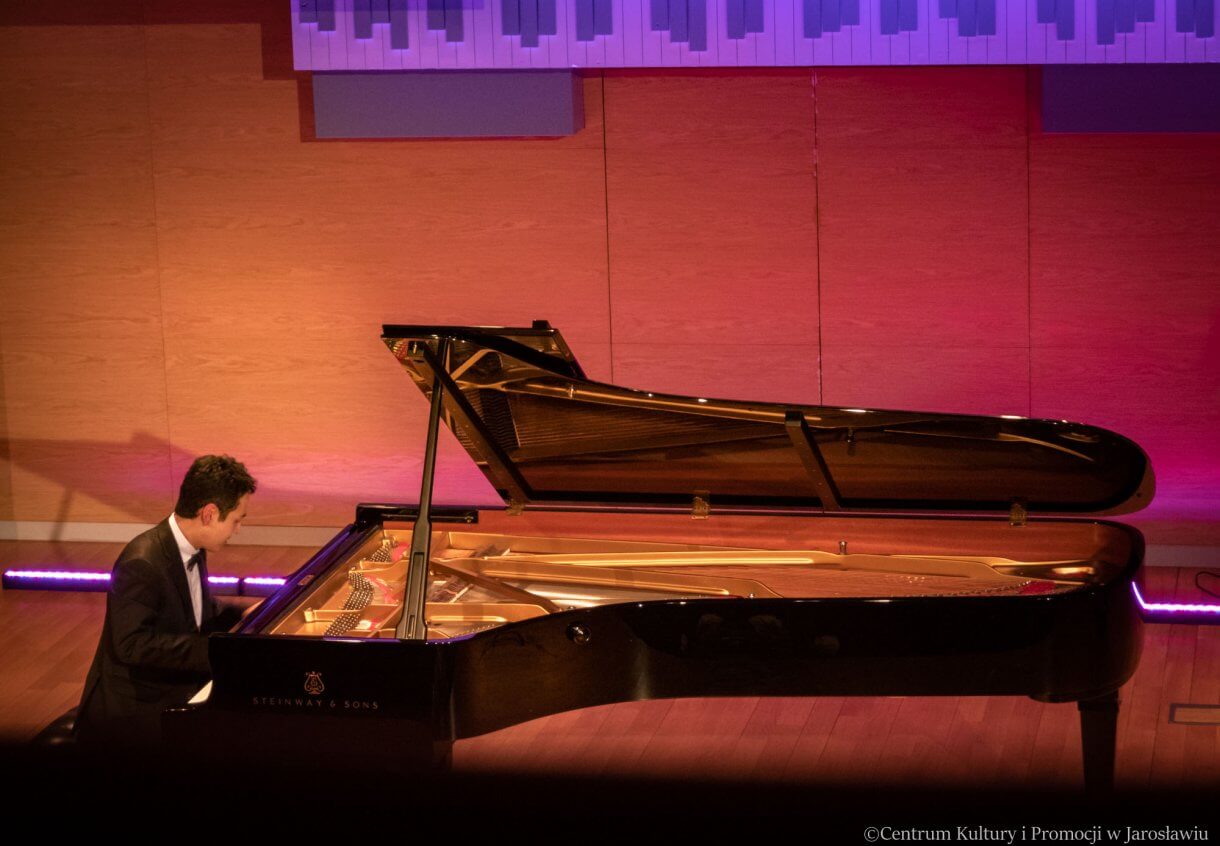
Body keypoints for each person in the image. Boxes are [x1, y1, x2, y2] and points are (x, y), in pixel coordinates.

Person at [74, 455, 257, 752]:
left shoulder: (192, 545)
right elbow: (132, 645)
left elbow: (190, 610)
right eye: (236, 520)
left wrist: (241, 612)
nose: (237, 529)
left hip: (172, 683)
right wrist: (217, 651)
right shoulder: (142, 562)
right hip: (136, 707)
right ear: (209, 514)